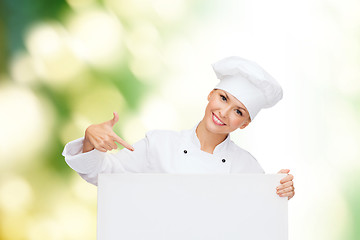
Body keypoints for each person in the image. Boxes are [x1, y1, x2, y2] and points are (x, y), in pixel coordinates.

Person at [62, 56, 295, 200]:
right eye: (223, 98)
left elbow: (257, 218)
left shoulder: (248, 167)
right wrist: (89, 142)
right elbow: (104, 176)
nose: (224, 113)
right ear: (210, 95)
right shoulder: (159, 145)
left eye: (238, 111)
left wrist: (279, 190)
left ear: (245, 123)